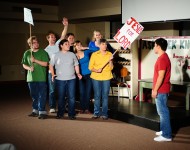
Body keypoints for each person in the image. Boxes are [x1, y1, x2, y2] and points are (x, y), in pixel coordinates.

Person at [49, 39, 82, 120]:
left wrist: (78, 73)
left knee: (72, 97)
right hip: (60, 79)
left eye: (68, 44)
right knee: (61, 97)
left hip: (72, 79)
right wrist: (53, 74)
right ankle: (60, 113)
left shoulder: (72, 54)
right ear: (61, 46)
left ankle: (71, 114)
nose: (68, 45)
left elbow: (76, 65)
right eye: (66, 44)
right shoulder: (55, 55)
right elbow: (50, 65)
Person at [21, 36, 49, 119]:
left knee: (42, 95)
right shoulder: (27, 53)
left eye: (37, 42)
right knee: (34, 95)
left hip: (41, 77)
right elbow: (24, 64)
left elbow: (45, 64)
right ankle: (35, 110)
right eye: (34, 43)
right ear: (30, 44)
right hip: (31, 78)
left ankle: (42, 111)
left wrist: (35, 60)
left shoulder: (43, 52)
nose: (36, 44)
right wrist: (29, 68)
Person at [45, 17, 68, 113]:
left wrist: (66, 25)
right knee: (52, 90)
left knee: (63, 90)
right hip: (52, 71)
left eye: (54, 37)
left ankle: (64, 106)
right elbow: (47, 63)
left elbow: (63, 36)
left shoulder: (58, 44)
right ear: (48, 39)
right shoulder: (46, 50)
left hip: (61, 70)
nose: (54, 38)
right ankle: (52, 106)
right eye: (52, 37)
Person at [152, 38, 172, 142]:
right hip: (163, 89)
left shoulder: (162, 59)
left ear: (158, 46)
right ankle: (164, 130)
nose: (154, 47)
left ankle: (167, 135)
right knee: (161, 111)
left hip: (161, 90)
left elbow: (161, 76)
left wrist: (155, 90)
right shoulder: (163, 57)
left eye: (155, 45)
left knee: (163, 112)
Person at [89, 38, 113, 120]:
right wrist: (96, 70)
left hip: (106, 77)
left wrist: (110, 60)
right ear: (99, 45)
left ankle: (105, 114)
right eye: (103, 44)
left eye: (106, 44)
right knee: (97, 95)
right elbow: (90, 67)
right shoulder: (94, 54)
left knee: (105, 96)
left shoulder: (109, 54)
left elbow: (111, 68)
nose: (105, 46)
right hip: (96, 77)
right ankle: (96, 113)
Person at [74, 40, 99, 114]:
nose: (79, 46)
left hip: (89, 75)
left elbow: (97, 49)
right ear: (75, 47)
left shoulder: (86, 52)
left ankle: (87, 108)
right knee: (82, 92)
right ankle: (82, 108)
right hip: (80, 76)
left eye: (80, 44)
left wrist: (85, 47)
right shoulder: (74, 55)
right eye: (77, 45)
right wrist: (76, 60)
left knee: (88, 92)